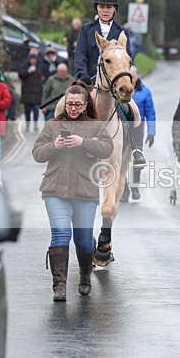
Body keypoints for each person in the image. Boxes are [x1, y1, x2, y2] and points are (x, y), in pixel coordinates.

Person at [32, 82, 114, 302]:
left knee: (84, 241)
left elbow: (107, 148)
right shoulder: (52, 125)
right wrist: (54, 146)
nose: (73, 108)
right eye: (70, 104)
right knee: (61, 233)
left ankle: (85, 274)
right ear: (64, 103)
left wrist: (83, 142)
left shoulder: (96, 126)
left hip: (85, 191)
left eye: (78, 104)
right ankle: (59, 285)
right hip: (54, 190)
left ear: (85, 105)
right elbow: (37, 153)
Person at [74, 0, 146, 168]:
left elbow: (127, 57)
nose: (105, 10)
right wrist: (82, 74)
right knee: (64, 106)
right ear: (97, 8)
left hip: (114, 84)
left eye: (109, 7)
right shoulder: (86, 29)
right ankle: (61, 144)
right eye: (102, 7)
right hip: (89, 81)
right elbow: (80, 54)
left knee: (135, 111)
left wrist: (122, 77)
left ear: (114, 9)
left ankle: (136, 149)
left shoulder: (122, 32)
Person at [121, 66, 156, 201]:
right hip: (122, 127)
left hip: (138, 128)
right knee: (121, 159)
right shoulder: (119, 90)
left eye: (132, 77)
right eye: (128, 77)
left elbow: (150, 113)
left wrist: (151, 133)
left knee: (137, 158)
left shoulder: (145, 92)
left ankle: (135, 186)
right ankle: (124, 189)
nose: (130, 80)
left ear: (137, 77)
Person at [18, 52, 46, 132]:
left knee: (36, 110)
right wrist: (28, 71)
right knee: (27, 111)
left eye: (34, 59)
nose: (33, 61)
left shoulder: (40, 67)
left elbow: (45, 76)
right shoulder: (25, 66)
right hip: (27, 93)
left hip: (37, 93)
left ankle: (35, 125)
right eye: (32, 59)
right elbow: (21, 75)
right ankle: (27, 125)